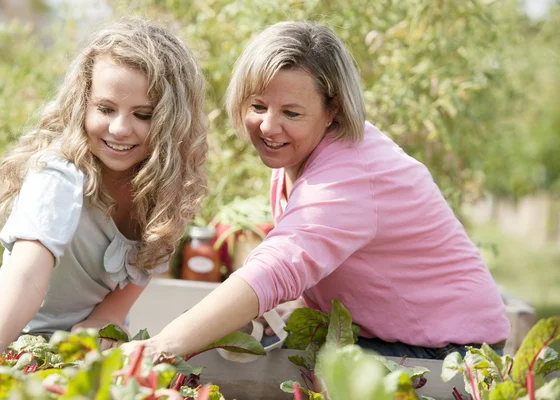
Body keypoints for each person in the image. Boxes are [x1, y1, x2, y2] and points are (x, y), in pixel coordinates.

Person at [122, 20, 509, 360]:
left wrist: (159, 347)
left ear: (333, 109)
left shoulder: (353, 172)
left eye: (291, 113)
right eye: (257, 106)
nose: (269, 127)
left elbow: (279, 266)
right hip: (390, 338)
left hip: (449, 351)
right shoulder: (298, 154)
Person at [0, 18, 207, 358]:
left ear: (172, 120)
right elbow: (28, 271)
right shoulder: (59, 175)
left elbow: (146, 263)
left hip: (89, 347)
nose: (120, 128)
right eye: (106, 109)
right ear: (83, 104)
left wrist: (106, 317)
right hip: (21, 342)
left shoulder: (162, 187)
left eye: (143, 114)